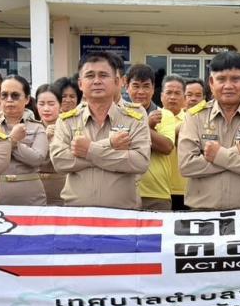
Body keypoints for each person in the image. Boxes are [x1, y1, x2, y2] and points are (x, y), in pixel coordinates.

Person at [177, 51, 240, 210]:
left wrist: (219, 155)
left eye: (236, 79)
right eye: (221, 79)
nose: (228, 86)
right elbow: (187, 166)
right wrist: (237, 152)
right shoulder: (195, 117)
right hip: (202, 214)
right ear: (211, 82)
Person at [50, 51, 151, 208]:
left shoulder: (134, 118)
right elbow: (60, 162)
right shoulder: (67, 121)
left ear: (116, 81)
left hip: (123, 213)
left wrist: (89, 150)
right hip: (77, 212)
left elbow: (140, 162)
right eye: (90, 76)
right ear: (80, 84)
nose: (97, 81)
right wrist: (110, 145)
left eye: (103, 75)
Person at [127, 65, 177, 210]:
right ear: (127, 87)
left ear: (153, 88)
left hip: (157, 193)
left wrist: (139, 128)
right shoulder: (118, 113)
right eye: (136, 86)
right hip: (124, 192)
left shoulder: (164, 114)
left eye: (146, 86)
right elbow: (119, 145)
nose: (141, 92)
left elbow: (166, 147)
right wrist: (147, 126)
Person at [0, 75, 49, 206]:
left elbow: (37, 159)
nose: (9, 100)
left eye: (15, 95)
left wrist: (13, 143)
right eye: (4, 95)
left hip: (30, 196)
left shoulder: (37, 127)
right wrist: (12, 140)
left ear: (26, 99)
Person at [159, 75, 189, 211]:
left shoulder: (192, 120)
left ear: (184, 97)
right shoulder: (152, 118)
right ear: (161, 96)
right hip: (157, 190)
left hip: (186, 189)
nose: (172, 97)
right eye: (169, 92)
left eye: (177, 93)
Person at [34, 84, 66, 205]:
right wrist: (44, 139)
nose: (46, 109)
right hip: (35, 187)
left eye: (51, 104)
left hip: (62, 187)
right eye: (41, 104)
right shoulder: (29, 128)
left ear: (60, 105)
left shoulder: (68, 128)